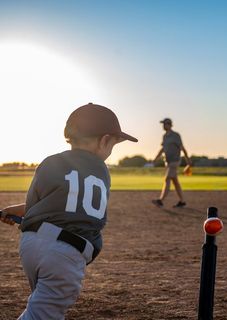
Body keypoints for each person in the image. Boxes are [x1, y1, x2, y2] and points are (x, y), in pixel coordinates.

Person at [0, 103, 138, 319]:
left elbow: (38, 203)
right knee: (44, 314)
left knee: (40, 305)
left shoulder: (51, 162)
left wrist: (12, 210)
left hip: (31, 243)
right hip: (67, 251)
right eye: (113, 144)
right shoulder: (102, 171)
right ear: (104, 141)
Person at [152, 118, 191, 208]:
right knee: (175, 182)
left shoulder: (176, 135)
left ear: (169, 125)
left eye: (165, 124)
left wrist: (187, 160)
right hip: (168, 162)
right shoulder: (164, 136)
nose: (163, 126)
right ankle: (182, 201)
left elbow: (182, 148)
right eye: (163, 124)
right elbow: (162, 149)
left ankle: (160, 200)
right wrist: (155, 159)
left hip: (175, 161)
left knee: (167, 178)